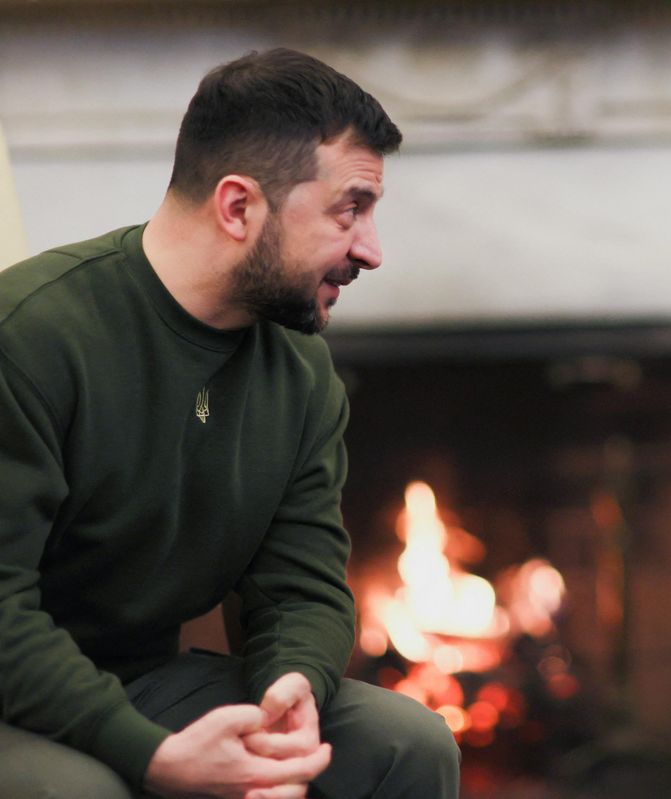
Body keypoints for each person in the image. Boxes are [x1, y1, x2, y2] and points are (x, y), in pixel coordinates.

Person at [0, 49, 460, 798]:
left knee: (405, 741)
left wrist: (292, 690)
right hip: (12, 695)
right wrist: (150, 753)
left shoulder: (301, 369)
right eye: (351, 209)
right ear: (239, 206)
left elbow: (303, 586)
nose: (372, 250)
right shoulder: (30, 336)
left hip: (143, 681)